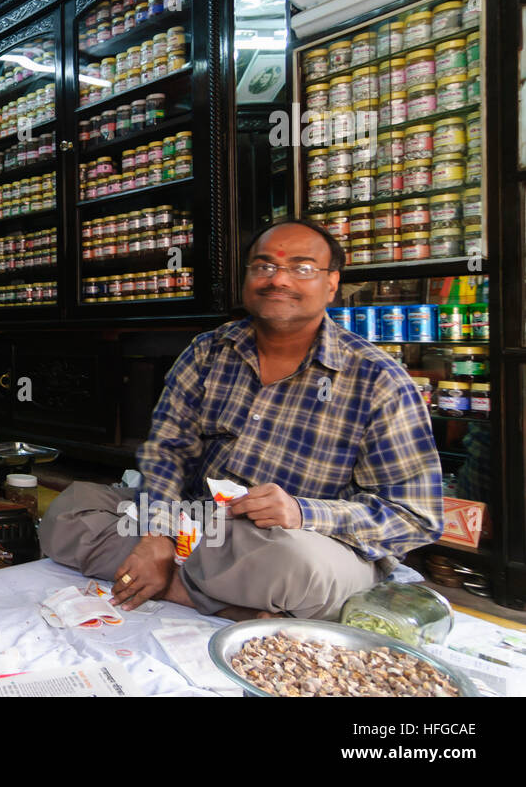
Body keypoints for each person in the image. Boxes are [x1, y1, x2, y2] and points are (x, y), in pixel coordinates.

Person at [40, 220, 443, 620]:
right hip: (200, 526)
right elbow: (166, 454)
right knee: (70, 510)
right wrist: (158, 534)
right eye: (263, 266)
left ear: (332, 283)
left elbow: (415, 516)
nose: (277, 279)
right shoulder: (208, 352)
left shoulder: (379, 380)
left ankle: (177, 582)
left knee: (296, 567)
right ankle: (211, 596)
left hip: (297, 542)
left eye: (301, 268)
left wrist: (303, 511)